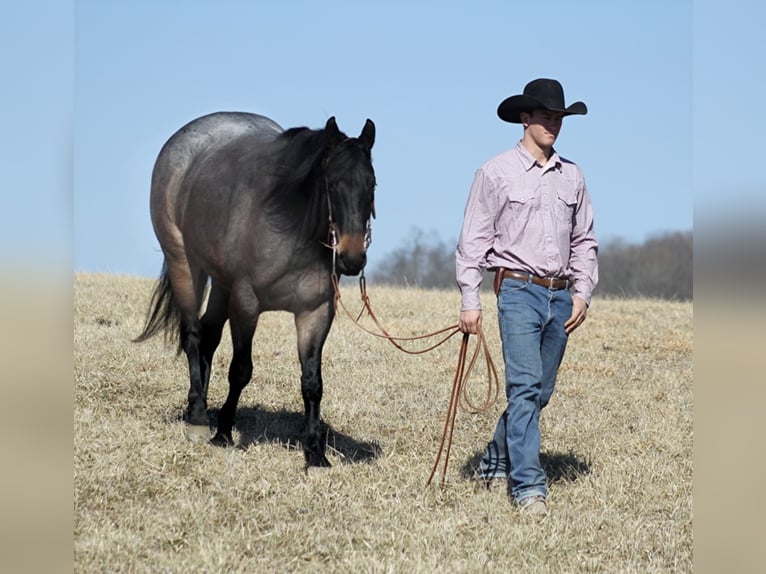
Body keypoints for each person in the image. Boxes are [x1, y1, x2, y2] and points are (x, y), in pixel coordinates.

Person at [455, 78, 598, 516]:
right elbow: (473, 239)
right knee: (524, 389)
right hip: (516, 290)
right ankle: (528, 487)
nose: (554, 123)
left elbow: (585, 239)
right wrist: (470, 298)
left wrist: (583, 292)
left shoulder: (572, 175)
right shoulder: (494, 172)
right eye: (546, 116)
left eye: (559, 117)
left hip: (560, 297)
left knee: (541, 392)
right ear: (525, 118)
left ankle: (496, 461)